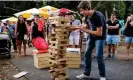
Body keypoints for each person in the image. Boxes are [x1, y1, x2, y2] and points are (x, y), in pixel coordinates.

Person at [76, 1, 106, 80]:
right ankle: (86, 74)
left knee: (99, 56)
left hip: (100, 37)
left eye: (82, 10)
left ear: (87, 9)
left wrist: (85, 30)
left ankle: (102, 76)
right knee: (87, 54)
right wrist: (79, 27)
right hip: (92, 36)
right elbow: (87, 25)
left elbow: (99, 33)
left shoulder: (98, 16)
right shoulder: (87, 16)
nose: (81, 12)